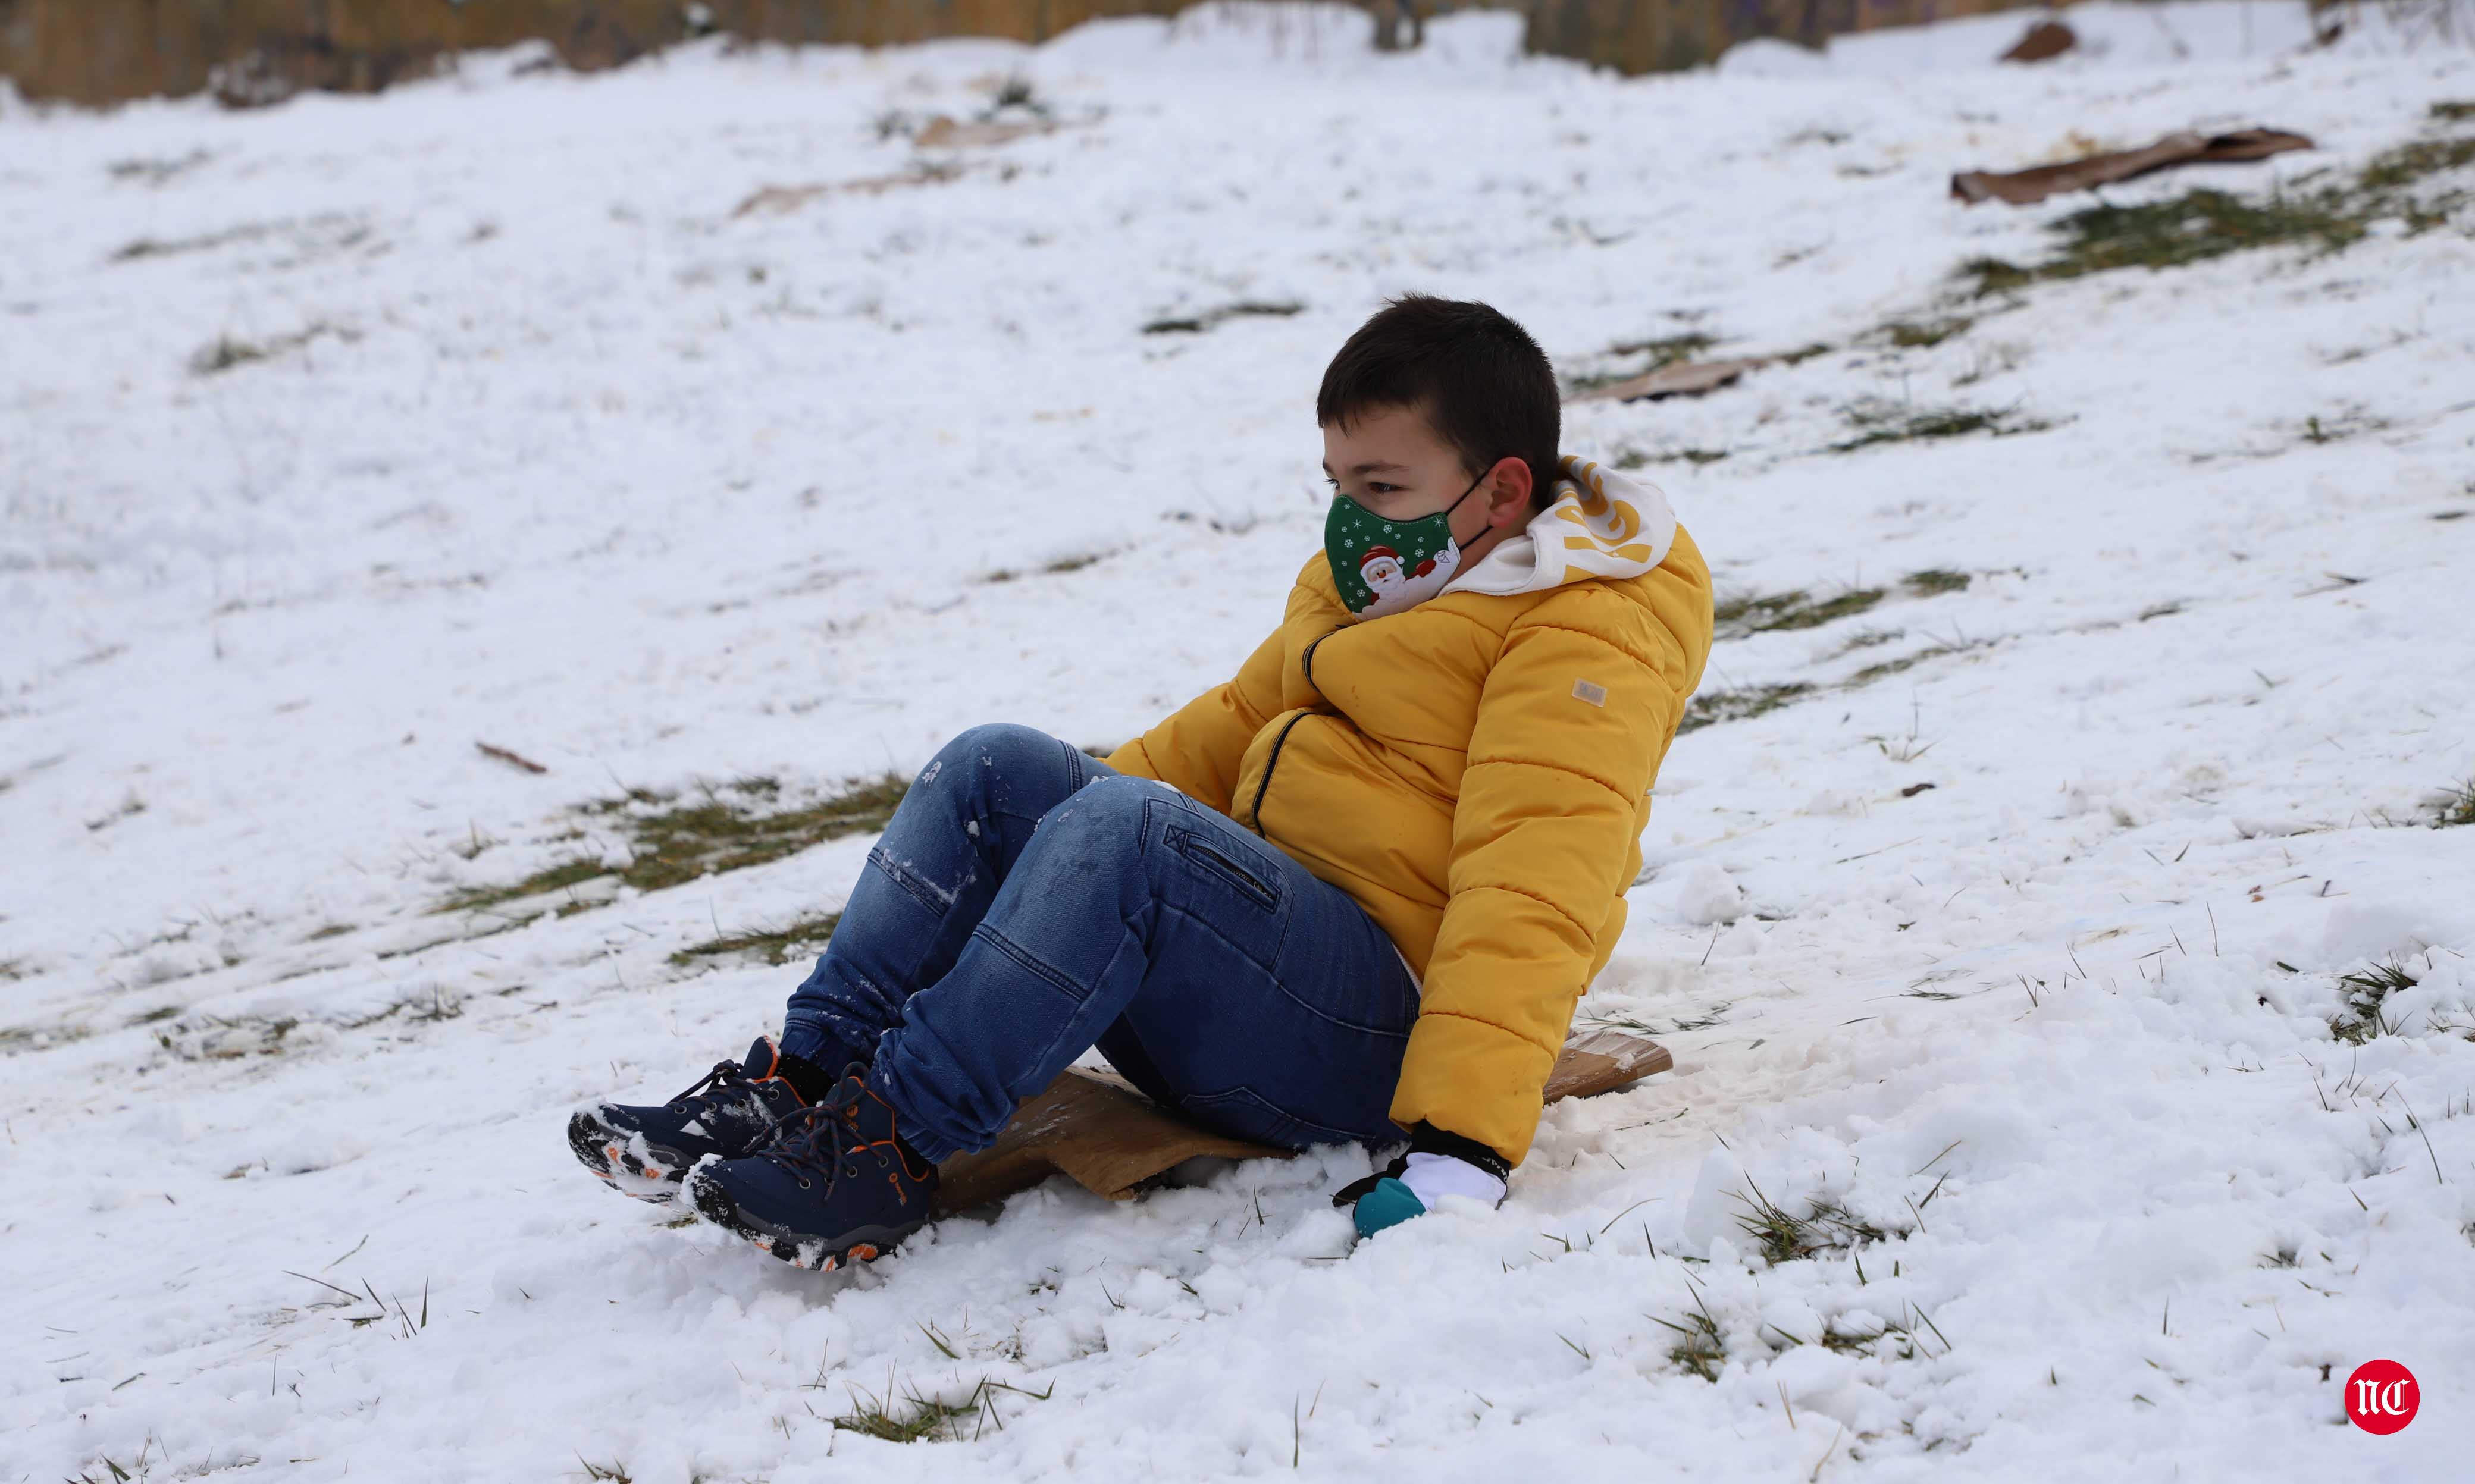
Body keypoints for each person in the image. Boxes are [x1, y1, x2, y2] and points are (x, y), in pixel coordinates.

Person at [568, 294, 1713, 1271]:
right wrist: (1047, 868)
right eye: (1335, 480)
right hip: (1259, 962)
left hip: (1372, 1036)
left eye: (1382, 481)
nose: (1349, 514)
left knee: (1125, 827)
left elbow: (1536, 886)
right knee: (996, 769)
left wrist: (1461, 1150)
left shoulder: (1582, 632)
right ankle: (805, 1084)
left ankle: (890, 1150)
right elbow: (1221, 736)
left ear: (1501, 491)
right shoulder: (1385, 578)